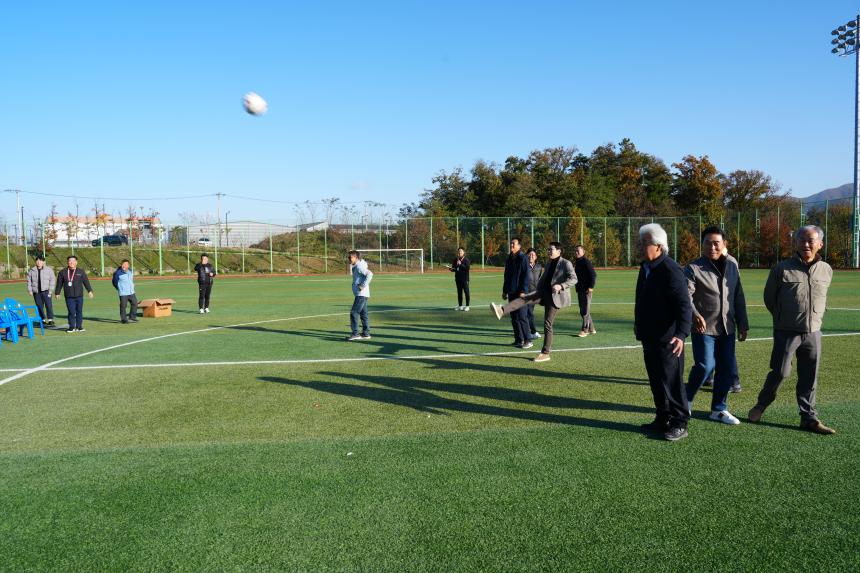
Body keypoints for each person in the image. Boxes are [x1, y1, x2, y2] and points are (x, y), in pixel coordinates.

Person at [749, 226, 836, 434]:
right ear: (795, 243)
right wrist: (782, 319)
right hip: (786, 331)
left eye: (811, 240)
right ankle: (761, 405)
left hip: (814, 332)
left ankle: (809, 418)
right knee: (780, 372)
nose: (806, 244)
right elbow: (769, 298)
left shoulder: (826, 269)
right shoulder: (782, 268)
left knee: (809, 376)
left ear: (820, 244)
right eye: (801, 240)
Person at [684, 226, 748, 425]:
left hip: (727, 327)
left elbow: (738, 295)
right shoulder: (693, 267)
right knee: (705, 366)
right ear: (702, 245)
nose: (712, 247)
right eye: (707, 243)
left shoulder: (732, 264)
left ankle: (718, 409)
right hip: (704, 328)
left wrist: (743, 323)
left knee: (726, 369)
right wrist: (694, 315)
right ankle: (684, 400)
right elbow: (685, 296)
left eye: (716, 243)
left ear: (724, 244)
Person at [634, 224, 692, 441]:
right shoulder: (646, 267)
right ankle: (663, 417)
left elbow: (684, 305)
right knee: (656, 380)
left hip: (669, 338)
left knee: (672, 381)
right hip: (649, 336)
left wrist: (681, 334)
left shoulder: (670, 269)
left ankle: (680, 422)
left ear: (658, 246)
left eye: (644, 243)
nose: (640, 246)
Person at [491, 242, 576, 362]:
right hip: (543, 292)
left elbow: (574, 279)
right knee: (524, 298)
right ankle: (502, 310)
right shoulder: (549, 262)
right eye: (548, 249)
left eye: (551, 249)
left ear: (559, 251)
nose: (549, 251)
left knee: (547, 324)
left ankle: (545, 353)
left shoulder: (566, 263)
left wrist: (561, 286)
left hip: (555, 297)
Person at [501, 238, 530, 348]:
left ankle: (528, 340)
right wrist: (505, 290)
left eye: (514, 243)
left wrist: (523, 290)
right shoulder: (509, 258)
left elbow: (526, 275)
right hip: (511, 292)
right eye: (511, 243)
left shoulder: (523, 258)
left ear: (519, 246)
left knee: (522, 316)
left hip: (520, 293)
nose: (511, 245)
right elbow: (506, 276)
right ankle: (519, 339)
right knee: (514, 318)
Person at [54, 255, 94, 333]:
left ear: (76, 262)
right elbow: (59, 284)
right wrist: (57, 292)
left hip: (79, 296)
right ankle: (71, 327)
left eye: (73, 261)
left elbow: (86, 282)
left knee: (79, 311)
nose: (71, 262)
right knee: (71, 311)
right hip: (69, 296)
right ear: (67, 262)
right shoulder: (63, 272)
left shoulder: (81, 271)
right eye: (70, 261)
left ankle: (79, 326)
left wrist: (89, 291)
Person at [347, 250, 374, 341]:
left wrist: (363, 285)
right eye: (348, 257)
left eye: (350, 257)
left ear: (356, 257)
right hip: (362, 294)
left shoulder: (359, 266)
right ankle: (366, 334)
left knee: (354, 313)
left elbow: (369, 274)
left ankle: (355, 334)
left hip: (361, 294)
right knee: (363, 313)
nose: (349, 259)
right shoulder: (357, 266)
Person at [573, 245, 597, 337]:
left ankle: (585, 329)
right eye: (575, 251)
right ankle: (592, 329)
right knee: (584, 309)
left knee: (585, 310)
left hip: (586, 290)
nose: (576, 252)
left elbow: (593, 275)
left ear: (583, 252)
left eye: (578, 251)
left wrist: (591, 287)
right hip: (580, 290)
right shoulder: (577, 262)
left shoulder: (585, 262)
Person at [27, 255, 56, 326]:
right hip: (36, 292)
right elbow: (29, 281)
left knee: (49, 305)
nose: (38, 262)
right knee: (39, 306)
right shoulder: (32, 270)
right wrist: (30, 290)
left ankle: (50, 319)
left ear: (43, 262)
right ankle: (42, 319)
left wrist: (51, 290)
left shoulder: (49, 270)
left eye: (40, 261)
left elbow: (52, 280)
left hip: (46, 291)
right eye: (37, 261)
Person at [112, 259, 139, 324]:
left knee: (135, 303)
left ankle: (132, 317)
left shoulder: (130, 271)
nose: (124, 265)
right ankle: (123, 319)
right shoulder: (118, 273)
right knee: (123, 306)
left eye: (126, 264)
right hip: (123, 293)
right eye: (123, 264)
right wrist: (119, 288)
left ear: (128, 265)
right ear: (121, 265)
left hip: (131, 292)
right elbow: (114, 282)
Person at [524, 248, 542, 340]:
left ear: (536, 257)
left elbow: (539, 279)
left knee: (529, 313)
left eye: (533, 255)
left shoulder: (539, 267)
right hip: (526, 293)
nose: (531, 256)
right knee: (529, 313)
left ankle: (528, 331)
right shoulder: (523, 265)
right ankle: (533, 332)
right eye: (529, 254)